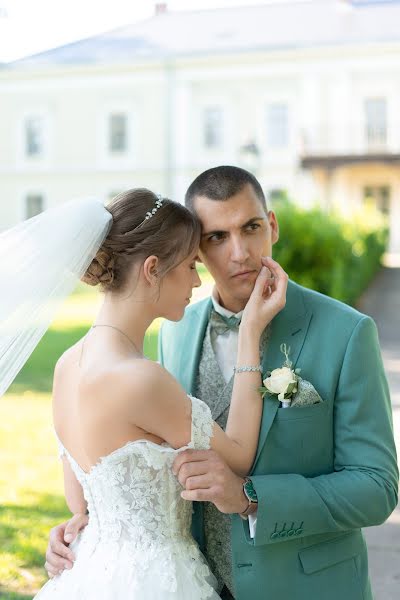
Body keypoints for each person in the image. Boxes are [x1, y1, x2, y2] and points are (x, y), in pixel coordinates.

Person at [45, 167, 399, 600]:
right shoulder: (173, 330)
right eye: (215, 237)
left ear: (272, 226)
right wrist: (86, 530)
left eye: (250, 228)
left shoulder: (345, 333)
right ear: (195, 246)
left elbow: (377, 487)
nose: (239, 253)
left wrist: (252, 498)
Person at [16, 188, 287, 599]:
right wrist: (250, 332)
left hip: (89, 573)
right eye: (191, 266)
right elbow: (238, 454)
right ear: (152, 268)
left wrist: (69, 531)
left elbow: (80, 504)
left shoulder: (66, 365)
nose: (197, 281)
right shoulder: (141, 379)